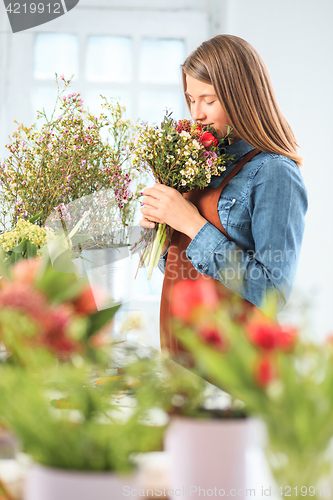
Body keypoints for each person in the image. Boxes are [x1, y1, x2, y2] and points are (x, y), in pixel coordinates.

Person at [139, 35, 308, 357]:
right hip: (181, 351)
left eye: (209, 99)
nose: (196, 113)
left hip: (235, 362)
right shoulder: (200, 167)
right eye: (191, 99)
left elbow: (274, 292)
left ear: (242, 97)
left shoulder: (274, 172)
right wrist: (159, 234)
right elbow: (180, 271)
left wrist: (193, 226)